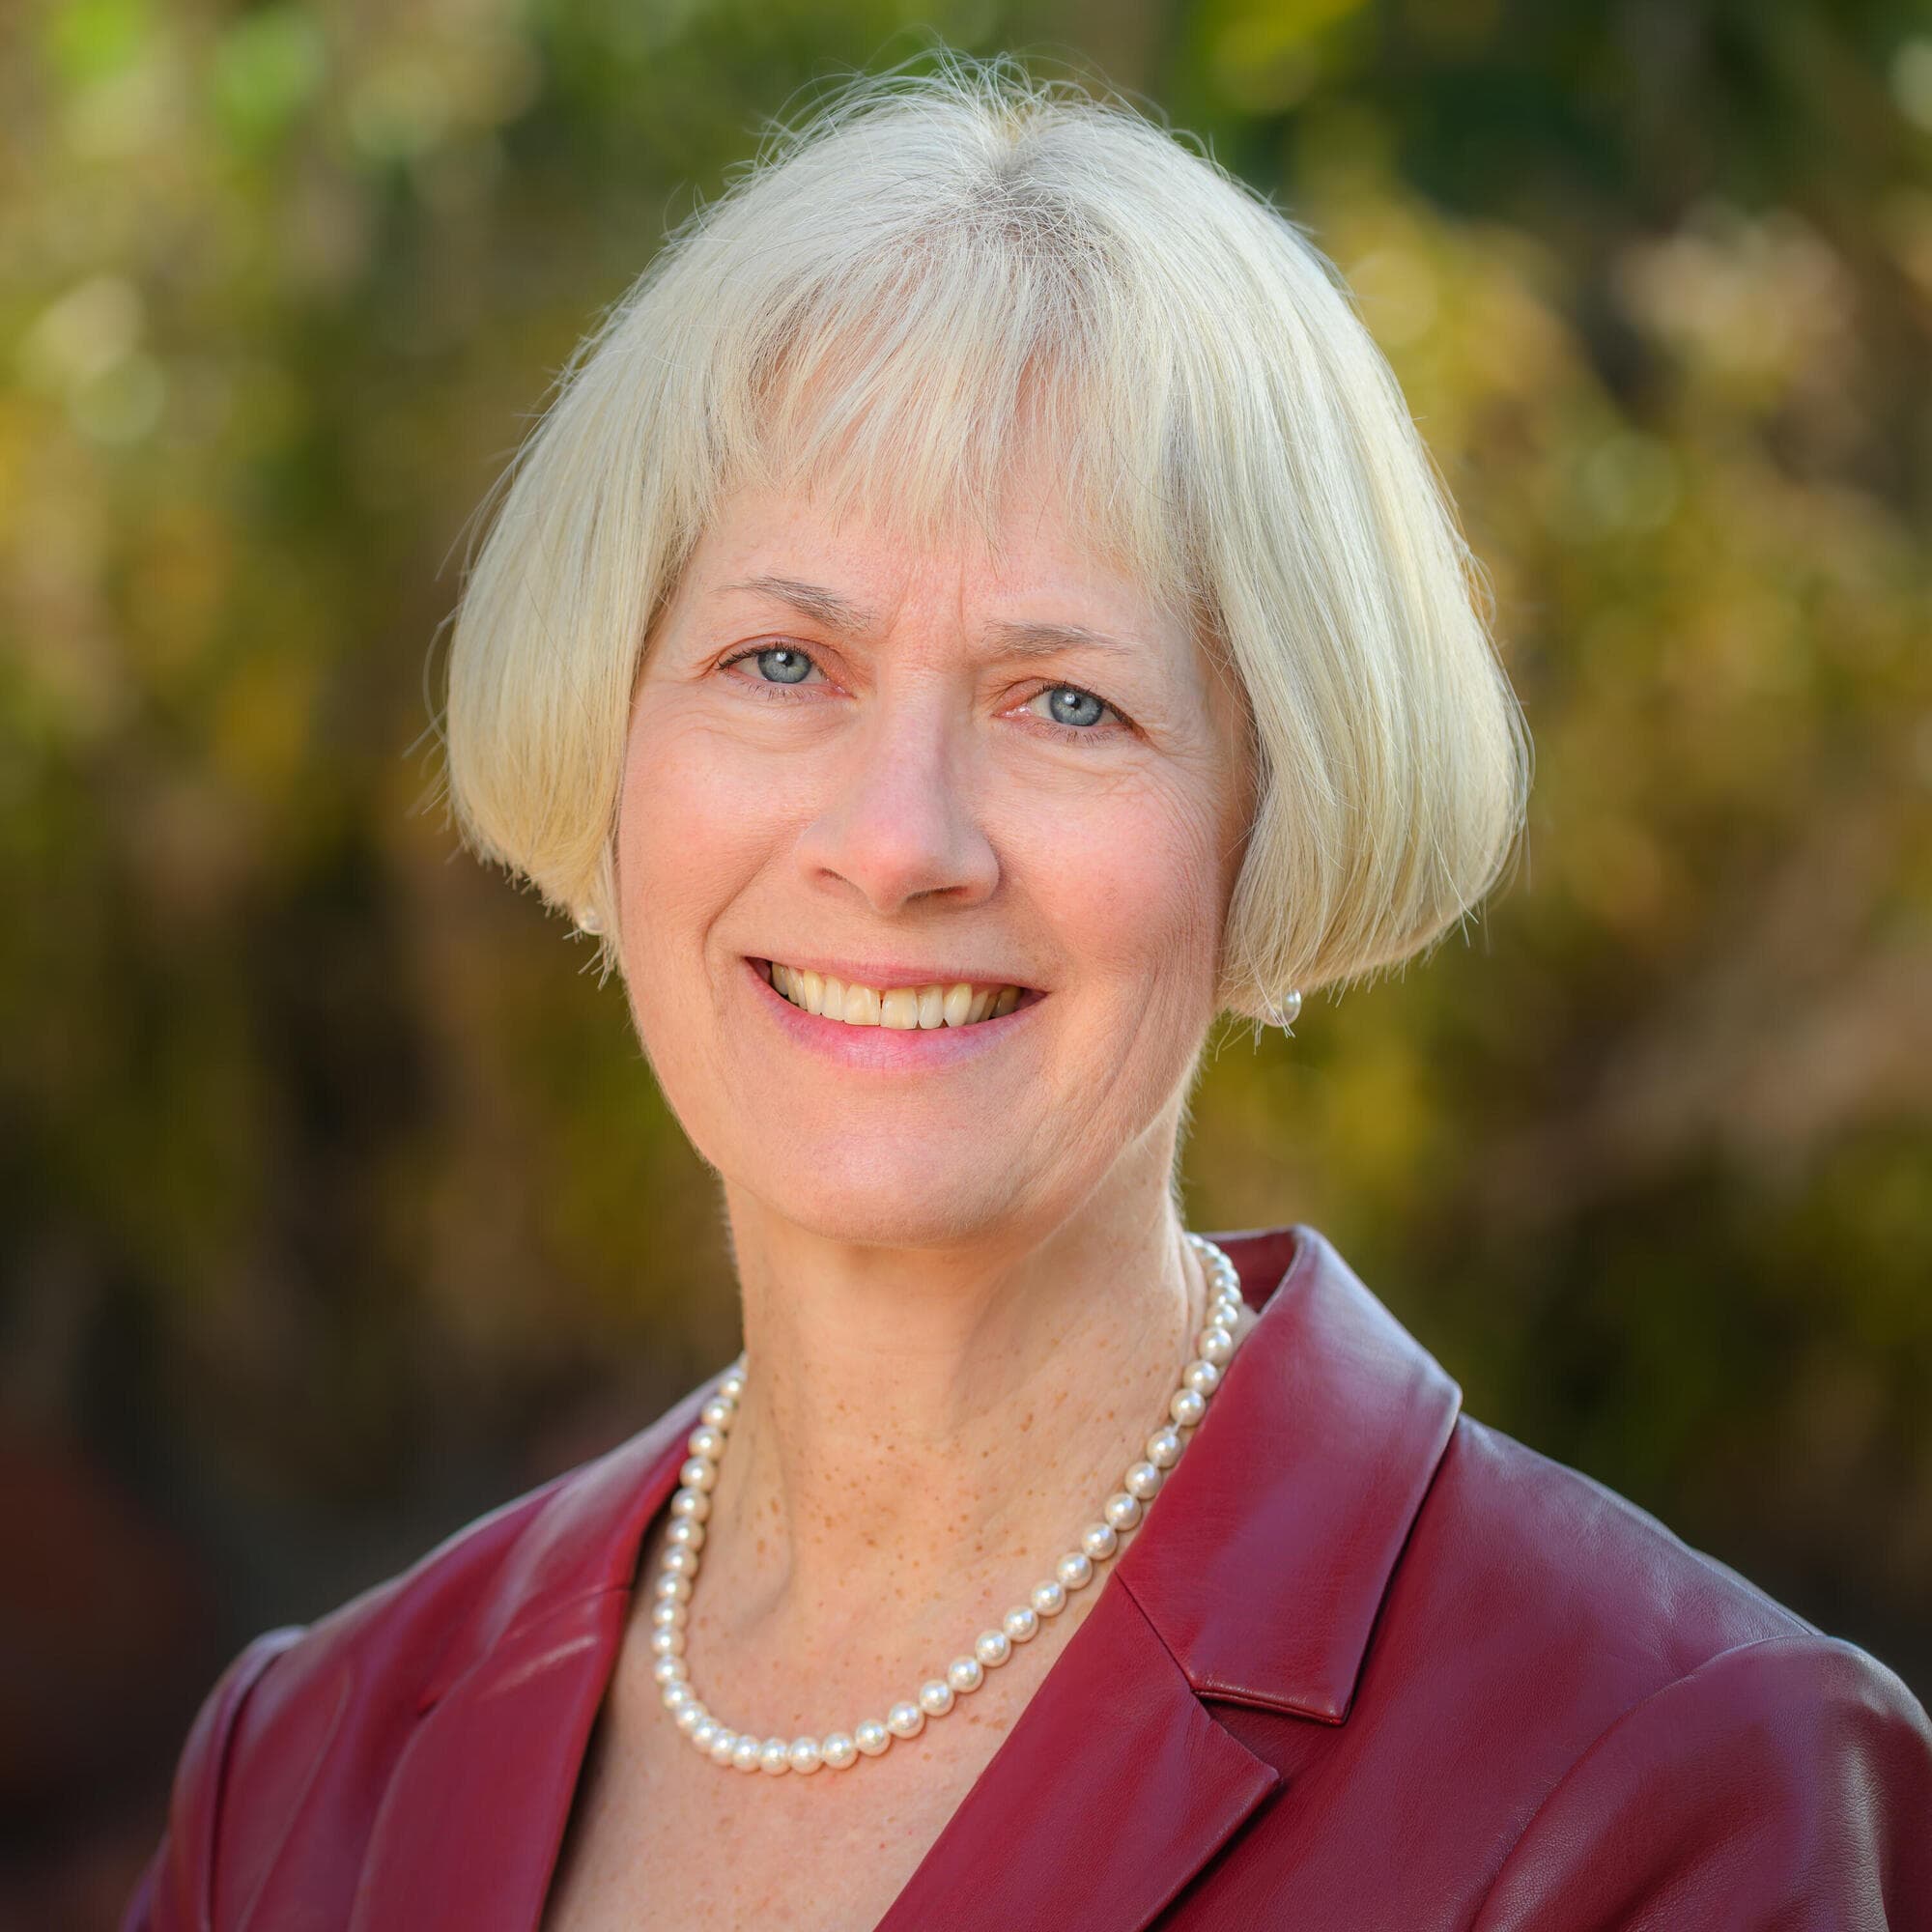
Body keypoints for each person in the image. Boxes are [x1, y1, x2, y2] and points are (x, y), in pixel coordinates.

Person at [125, 56, 1931, 1932]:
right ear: (613, 729)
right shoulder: (307, 1772)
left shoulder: (1665, 1780)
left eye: (1067, 700)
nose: (899, 842)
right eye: (778, 660)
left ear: (1271, 805)